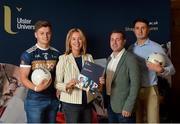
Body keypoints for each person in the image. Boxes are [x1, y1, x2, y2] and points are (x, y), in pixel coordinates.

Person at [128, 18, 176, 123]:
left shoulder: (157, 47)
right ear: (134, 30)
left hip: (151, 89)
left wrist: (161, 69)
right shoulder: (130, 49)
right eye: (137, 28)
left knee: (153, 121)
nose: (140, 31)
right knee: (137, 121)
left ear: (148, 30)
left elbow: (172, 69)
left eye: (143, 28)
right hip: (134, 90)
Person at [55, 28, 104, 123]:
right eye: (73, 39)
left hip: (87, 103)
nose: (76, 42)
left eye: (79, 38)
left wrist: (99, 83)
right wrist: (67, 85)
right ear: (69, 41)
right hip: (70, 104)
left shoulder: (89, 57)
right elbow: (56, 84)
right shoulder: (63, 59)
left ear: (83, 41)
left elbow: (95, 86)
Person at [19, 20, 60, 123]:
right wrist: (36, 88)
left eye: (48, 33)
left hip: (53, 99)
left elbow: (59, 75)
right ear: (36, 34)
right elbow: (23, 77)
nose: (45, 36)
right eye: (42, 33)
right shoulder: (28, 54)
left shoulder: (57, 54)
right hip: (35, 100)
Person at [103, 30, 140, 123]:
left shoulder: (130, 58)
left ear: (124, 41)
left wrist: (128, 106)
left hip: (124, 107)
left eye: (117, 39)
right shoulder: (109, 59)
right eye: (112, 39)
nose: (114, 42)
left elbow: (136, 85)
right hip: (110, 105)